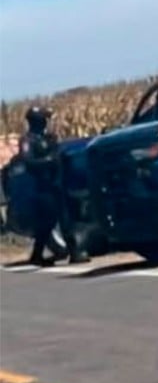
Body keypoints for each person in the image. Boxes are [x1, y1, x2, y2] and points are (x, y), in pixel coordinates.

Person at [18, 107, 88, 266]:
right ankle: (38, 255)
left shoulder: (49, 138)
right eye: (43, 119)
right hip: (43, 187)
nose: (46, 122)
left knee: (64, 219)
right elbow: (28, 161)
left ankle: (73, 252)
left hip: (56, 183)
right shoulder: (28, 140)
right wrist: (49, 161)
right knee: (48, 222)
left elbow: (59, 154)